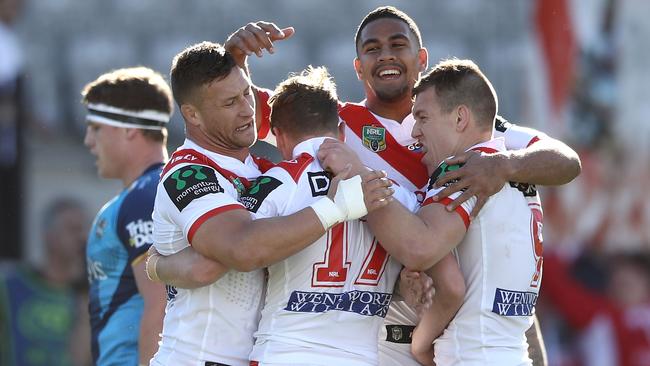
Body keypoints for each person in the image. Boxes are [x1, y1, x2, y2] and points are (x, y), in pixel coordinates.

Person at [225, 6, 579, 365]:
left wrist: (503, 164)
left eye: (398, 44)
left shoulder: (465, 123)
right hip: (385, 330)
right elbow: (245, 112)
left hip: (462, 322)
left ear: (421, 57)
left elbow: (565, 160)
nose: (387, 55)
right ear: (358, 66)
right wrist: (235, 58)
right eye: (373, 48)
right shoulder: (335, 124)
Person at [148, 42, 384, 366]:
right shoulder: (187, 173)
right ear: (192, 114)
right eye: (230, 102)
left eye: (246, 93)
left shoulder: (263, 170)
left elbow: (304, 125)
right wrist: (336, 208)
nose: (247, 109)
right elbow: (239, 250)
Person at [352, 58, 545, 365]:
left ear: (460, 118)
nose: (415, 132)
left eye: (423, 118)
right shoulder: (516, 172)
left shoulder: (467, 169)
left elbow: (421, 248)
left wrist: (357, 177)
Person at [81, 66, 170, 365]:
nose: (88, 141)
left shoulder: (144, 198)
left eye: (95, 128)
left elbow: (160, 305)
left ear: (129, 129)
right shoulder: (149, 192)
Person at [0, 198, 91, 366]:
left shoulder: (88, 295)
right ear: (48, 235)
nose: (82, 237)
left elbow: (80, 360)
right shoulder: (9, 286)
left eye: (85, 230)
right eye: (73, 229)